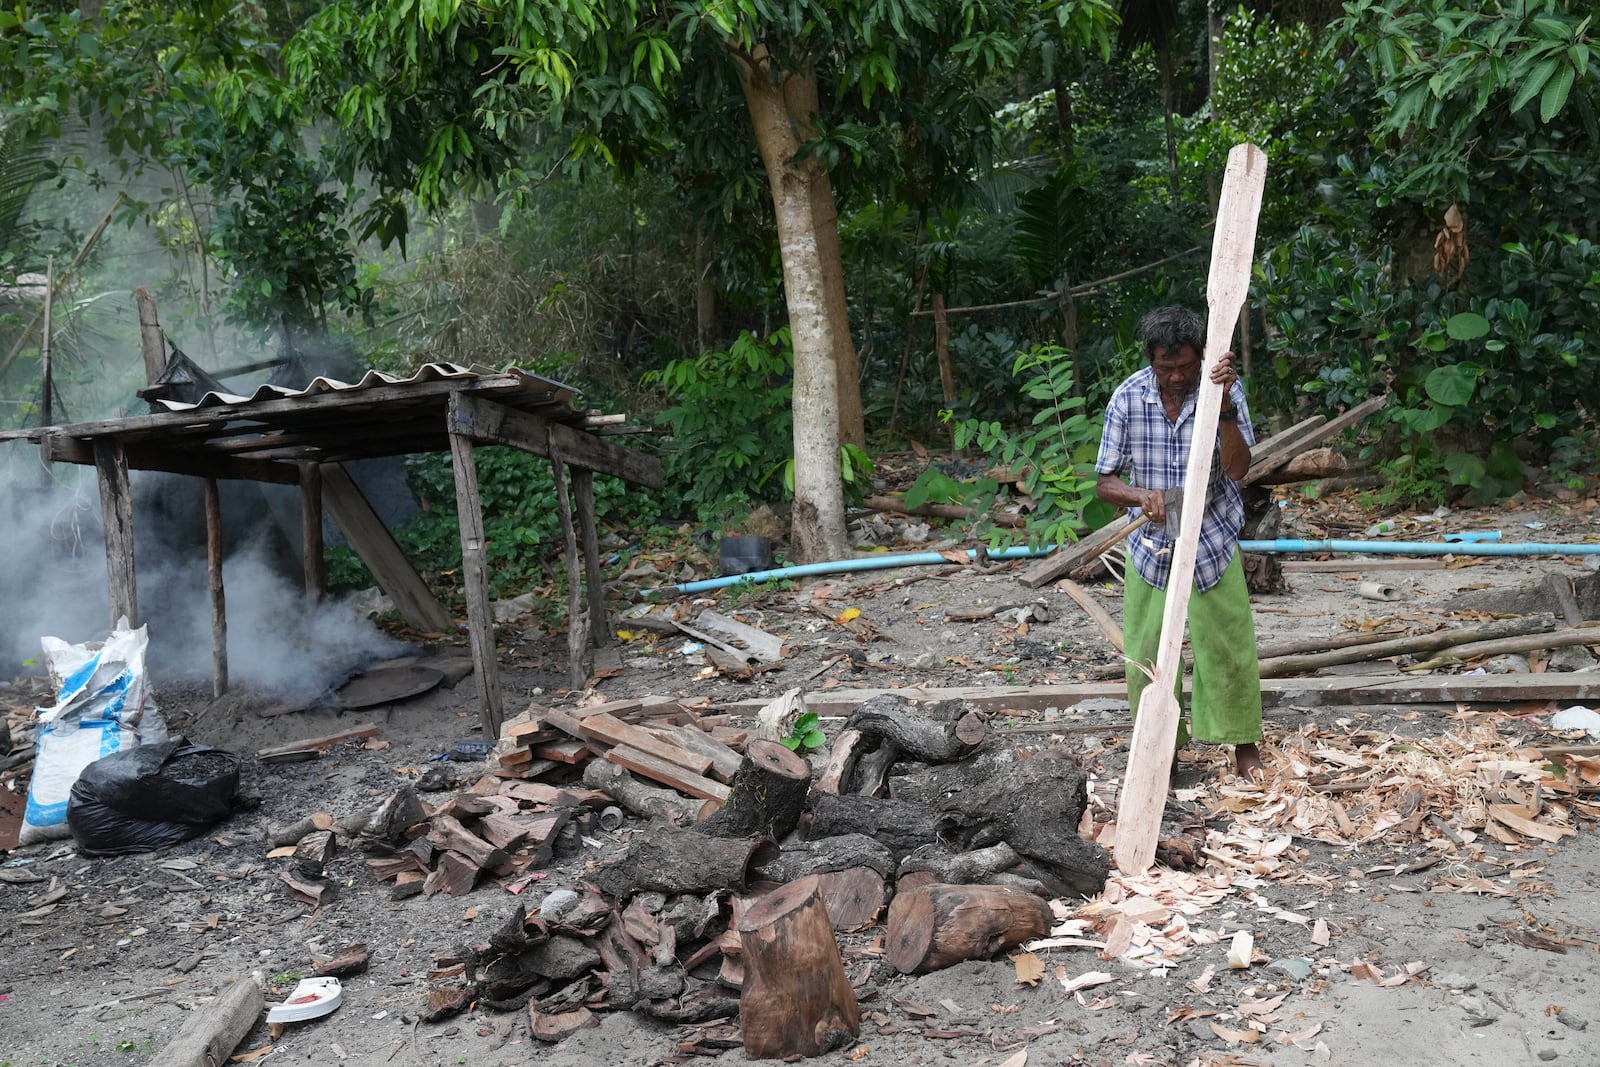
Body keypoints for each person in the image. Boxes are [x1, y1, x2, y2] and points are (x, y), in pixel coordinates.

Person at [1093, 306, 1264, 779]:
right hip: (1151, 543)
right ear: (1151, 360)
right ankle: (1160, 745)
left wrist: (1225, 405)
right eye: (1165, 368)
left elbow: (1237, 469)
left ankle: (1242, 742)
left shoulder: (1221, 392)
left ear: (1202, 356)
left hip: (1211, 536)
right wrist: (1139, 495)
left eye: (1185, 367)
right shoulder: (1128, 398)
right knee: (1145, 651)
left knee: (1226, 644)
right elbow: (1104, 483)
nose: (1176, 377)